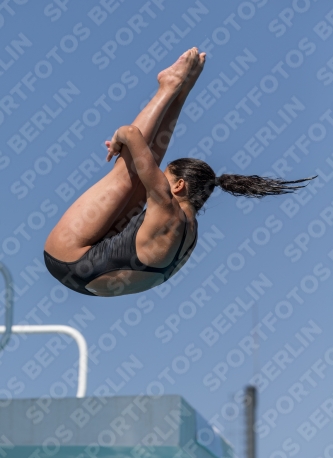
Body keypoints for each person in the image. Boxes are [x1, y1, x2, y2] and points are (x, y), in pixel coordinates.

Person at [44, 48, 312, 297]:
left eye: (166, 177)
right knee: (138, 171)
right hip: (89, 277)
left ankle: (171, 87)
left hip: (67, 258)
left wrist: (118, 137)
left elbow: (132, 133)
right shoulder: (190, 230)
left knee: (124, 176)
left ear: (180, 186)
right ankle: (177, 89)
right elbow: (145, 161)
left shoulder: (165, 204)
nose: (159, 178)